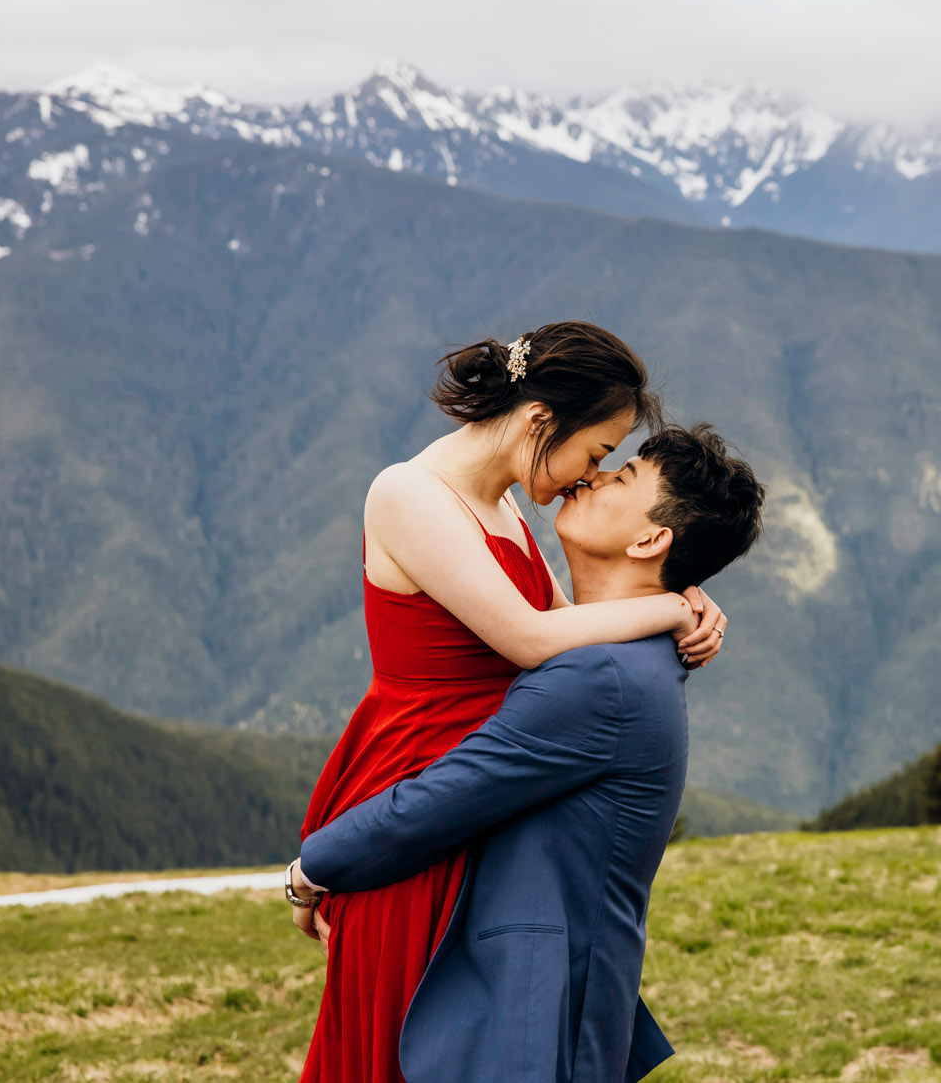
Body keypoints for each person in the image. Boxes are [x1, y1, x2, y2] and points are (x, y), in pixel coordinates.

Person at [295, 323, 729, 1083]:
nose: (587, 477)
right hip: (418, 794)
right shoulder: (407, 494)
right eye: (594, 454)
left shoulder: (506, 514)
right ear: (538, 423)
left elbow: (577, 634)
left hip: (473, 803)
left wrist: (686, 597)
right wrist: (670, 612)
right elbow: (534, 640)